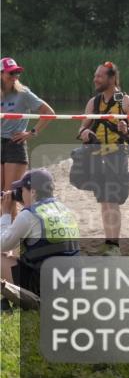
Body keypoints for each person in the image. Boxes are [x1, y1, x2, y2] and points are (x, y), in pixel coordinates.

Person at [75, 62, 129, 256]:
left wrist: (127, 130)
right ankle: (110, 243)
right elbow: (80, 129)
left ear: (112, 79)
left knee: (111, 199)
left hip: (116, 155)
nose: (95, 79)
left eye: (100, 76)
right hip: (96, 155)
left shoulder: (126, 102)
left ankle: (114, 246)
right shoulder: (93, 103)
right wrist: (85, 132)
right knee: (104, 200)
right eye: (95, 76)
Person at [1, 168, 79, 306]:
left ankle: (27, 299)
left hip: (45, 287)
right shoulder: (64, 209)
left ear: (33, 191)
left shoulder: (28, 215)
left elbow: (2, 244)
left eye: (22, 190)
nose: (20, 193)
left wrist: (6, 213)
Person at [1, 58, 54, 193]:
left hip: (15, 144)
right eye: (11, 73)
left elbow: (49, 113)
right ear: (1, 74)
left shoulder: (23, 93)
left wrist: (31, 133)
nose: (15, 76)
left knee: (9, 194)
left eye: (17, 73)